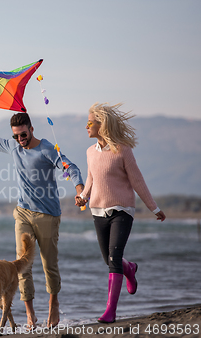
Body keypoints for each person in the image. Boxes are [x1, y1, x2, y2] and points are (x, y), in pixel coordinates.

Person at [0, 101, 85, 328]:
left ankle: (53, 305)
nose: (20, 140)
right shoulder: (14, 147)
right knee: (21, 264)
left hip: (47, 215)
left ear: (31, 129)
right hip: (22, 213)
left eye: (23, 135)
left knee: (48, 264)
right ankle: (30, 314)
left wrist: (80, 188)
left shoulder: (47, 149)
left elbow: (70, 167)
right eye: (16, 136)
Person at [75, 102, 166, 324]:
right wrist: (83, 197)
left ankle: (110, 311)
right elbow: (91, 179)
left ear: (101, 124)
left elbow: (137, 180)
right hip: (98, 210)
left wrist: (154, 207)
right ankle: (130, 269)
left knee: (114, 257)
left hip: (122, 210)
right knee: (109, 259)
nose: (86, 126)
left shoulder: (123, 150)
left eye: (89, 122)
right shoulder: (89, 152)